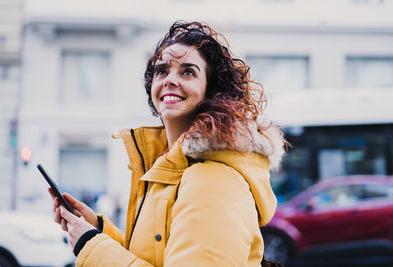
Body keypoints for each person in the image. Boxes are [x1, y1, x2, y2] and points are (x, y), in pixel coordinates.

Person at [49, 21, 285, 267]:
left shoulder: (213, 178)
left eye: (188, 72)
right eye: (162, 71)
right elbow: (157, 256)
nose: (170, 80)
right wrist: (97, 231)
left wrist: (93, 248)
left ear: (212, 91)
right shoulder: (172, 168)